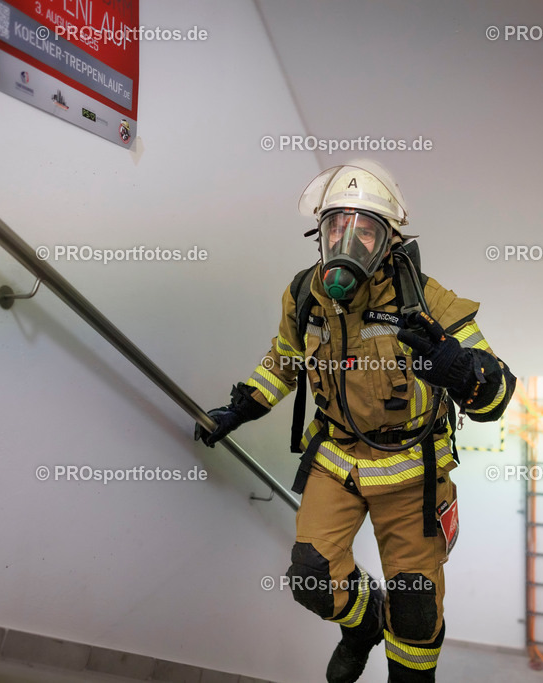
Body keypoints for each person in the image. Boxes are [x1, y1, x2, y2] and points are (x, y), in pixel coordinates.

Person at [196, 160, 516, 682]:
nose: (347, 242)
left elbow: (497, 394)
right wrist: (242, 405)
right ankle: (364, 624)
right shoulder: (305, 296)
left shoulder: (431, 304)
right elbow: (285, 358)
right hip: (338, 461)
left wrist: (460, 371)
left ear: (389, 240)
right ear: (319, 233)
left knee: (414, 612)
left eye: (364, 230)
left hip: (413, 470)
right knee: (312, 576)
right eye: (336, 227)